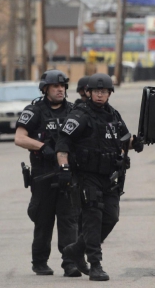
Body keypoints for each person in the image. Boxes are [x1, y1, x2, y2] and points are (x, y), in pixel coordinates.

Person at [56, 73, 144, 281]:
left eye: (104, 91)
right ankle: (95, 264)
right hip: (88, 176)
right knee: (93, 219)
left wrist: (136, 142)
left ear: (109, 94)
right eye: (96, 91)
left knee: (111, 217)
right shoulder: (80, 115)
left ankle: (76, 249)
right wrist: (64, 167)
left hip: (110, 176)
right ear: (88, 92)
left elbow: (124, 139)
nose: (100, 95)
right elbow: (63, 142)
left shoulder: (113, 115)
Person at [14, 70, 81, 277]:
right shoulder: (35, 111)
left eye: (62, 86)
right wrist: (42, 146)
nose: (60, 89)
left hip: (66, 174)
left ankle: (70, 263)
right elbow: (19, 137)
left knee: (69, 220)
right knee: (43, 221)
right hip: (43, 175)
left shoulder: (73, 111)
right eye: (55, 86)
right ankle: (40, 261)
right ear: (45, 89)